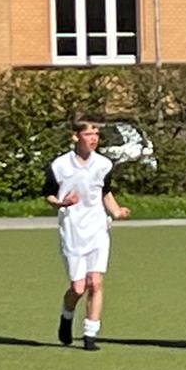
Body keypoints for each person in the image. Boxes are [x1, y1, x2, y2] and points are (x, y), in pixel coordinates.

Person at [44, 119, 131, 351]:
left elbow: (105, 192)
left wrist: (116, 211)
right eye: (88, 134)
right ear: (76, 136)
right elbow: (49, 195)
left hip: (98, 229)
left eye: (96, 134)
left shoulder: (103, 164)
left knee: (96, 282)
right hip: (72, 230)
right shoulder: (60, 165)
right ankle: (66, 316)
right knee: (78, 288)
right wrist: (61, 203)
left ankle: (90, 334)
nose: (93, 139)